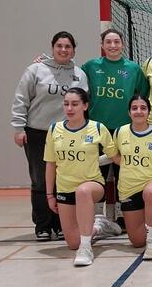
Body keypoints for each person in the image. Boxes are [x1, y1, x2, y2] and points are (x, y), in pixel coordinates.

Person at [11, 31, 89, 242]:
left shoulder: (79, 74)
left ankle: (62, 224)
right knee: (40, 180)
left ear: (73, 50)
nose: (63, 50)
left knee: (63, 180)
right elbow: (21, 99)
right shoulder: (36, 69)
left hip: (66, 134)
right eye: (59, 46)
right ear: (52, 47)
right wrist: (19, 128)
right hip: (37, 132)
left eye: (68, 47)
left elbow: (83, 104)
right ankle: (43, 225)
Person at [44, 88, 122, 266]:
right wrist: (50, 195)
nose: (69, 108)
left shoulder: (97, 128)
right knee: (72, 243)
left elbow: (114, 156)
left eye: (75, 104)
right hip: (65, 189)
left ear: (85, 106)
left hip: (92, 185)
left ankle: (86, 248)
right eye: (66, 104)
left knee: (83, 191)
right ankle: (99, 226)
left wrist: (139, 164)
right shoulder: (54, 129)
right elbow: (50, 164)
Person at [82, 29, 150, 230]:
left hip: (124, 131)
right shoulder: (90, 66)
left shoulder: (133, 69)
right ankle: (96, 219)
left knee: (125, 173)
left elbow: (142, 94)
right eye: (108, 42)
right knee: (97, 173)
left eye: (117, 42)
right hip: (97, 130)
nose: (113, 46)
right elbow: (71, 78)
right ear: (102, 45)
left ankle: (123, 214)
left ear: (122, 44)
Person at [108, 95, 152, 260]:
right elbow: (116, 156)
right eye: (134, 108)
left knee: (150, 192)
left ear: (149, 112)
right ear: (129, 112)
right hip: (128, 188)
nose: (139, 111)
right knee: (136, 241)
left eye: (143, 108)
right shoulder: (120, 132)